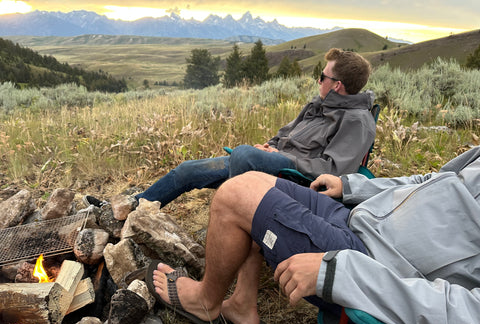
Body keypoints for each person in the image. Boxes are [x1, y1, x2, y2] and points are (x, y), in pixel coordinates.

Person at [147, 146, 480, 324]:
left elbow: (471, 322)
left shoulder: (354, 116)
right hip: (359, 218)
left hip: (373, 266)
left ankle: (206, 301)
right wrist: (353, 187)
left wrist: (344, 272)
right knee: (254, 180)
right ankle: (242, 306)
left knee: (234, 195)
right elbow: (433, 181)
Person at [84, 48, 375, 209]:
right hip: (272, 161)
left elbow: (334, 171)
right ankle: (124, 209)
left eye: (322, 76)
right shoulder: (319, 103)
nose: (318, 80)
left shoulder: (356, 121)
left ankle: (235, 218)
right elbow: (285, 134)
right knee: (188, 169)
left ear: (337, 85)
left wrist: (280, 157)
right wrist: (270, 146)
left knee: (244, 155)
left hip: (295, 178)